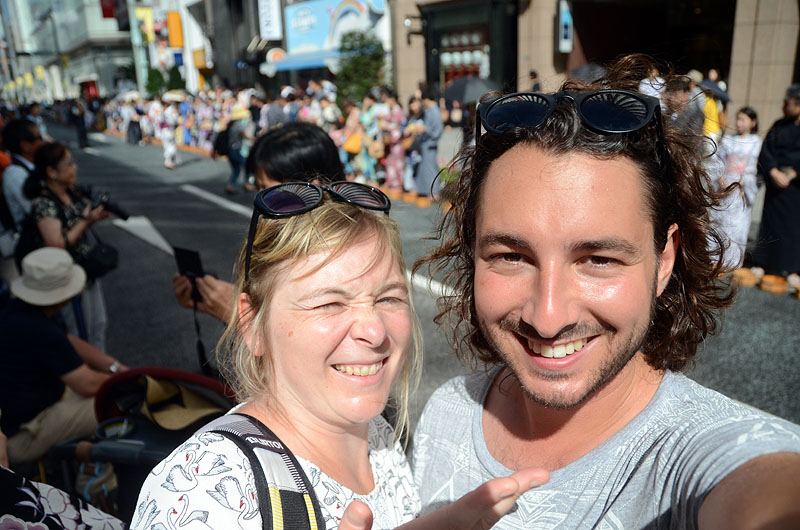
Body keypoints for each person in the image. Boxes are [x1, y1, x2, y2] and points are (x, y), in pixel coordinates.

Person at [412, 55, 800, 528]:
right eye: (511, 256)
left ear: (664, 260)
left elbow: (767, 490)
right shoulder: (448, 410)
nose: (548, 318)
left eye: (599, 260)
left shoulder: (694, 455)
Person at [136, 183, 548, 529]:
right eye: (329, 303)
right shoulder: (206, 490)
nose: (375, 331)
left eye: (388, 298)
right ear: (252, 324)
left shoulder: (375, 433)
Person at [174, 122, 345, 323]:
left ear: (313, 190)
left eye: (272, 193)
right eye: (259, 189)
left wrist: (237, 315)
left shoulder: (339, 255)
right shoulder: (286, 240)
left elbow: (308, 338)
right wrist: (216, 299)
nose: (261, 205)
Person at [0, 247, 126, 464]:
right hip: (25, 432)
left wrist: (115, 367)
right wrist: (130, 381)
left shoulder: (17, 311)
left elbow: (69, 341)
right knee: (114, 405)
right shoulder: (41, 330)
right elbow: (86, 384)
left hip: (15, 419)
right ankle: (96, 481)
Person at [25, 142, 111, 350]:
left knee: (98, 325)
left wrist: (92, 217)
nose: (75, 167)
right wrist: (86, 221)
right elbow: (57, 244)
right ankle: (84, 369)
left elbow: (74, 225)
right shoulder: (44, 203)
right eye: (69, 163)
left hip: (86, 271)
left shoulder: (69, 193)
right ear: (51, 172)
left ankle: (99, 368)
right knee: (80, 332)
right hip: (67, 278)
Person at [752, 84, 800, 291]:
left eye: (788, 103)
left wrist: (792, 173)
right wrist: (772, 171)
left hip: (796, 186)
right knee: (770, 224)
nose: (784, 106)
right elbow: (766, 151)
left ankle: (793, 270)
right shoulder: (779, 125)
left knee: (794, 229)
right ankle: (763, 263)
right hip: (775, 182)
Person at [710, 106, 762, 268]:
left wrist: (742, 181)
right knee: (720, 221)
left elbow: (753, 167)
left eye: (743, 119)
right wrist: (720, 178)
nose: (739, 123)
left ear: (753, 122)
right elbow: (717, 161)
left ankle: (732, 261)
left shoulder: (756, 142)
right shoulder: (727, 140)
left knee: (738, 224)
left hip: (741, 188)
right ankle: (715, 258)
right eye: (738, 119)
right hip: (725, 185)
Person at [1, 118, 45, 228]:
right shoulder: (15, 174)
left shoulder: (34, 165)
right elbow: (39, 212)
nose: (44, 142)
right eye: (39, 138)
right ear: (25, 145)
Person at [414, 87, 443, 207]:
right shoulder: (429, 111)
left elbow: (437, 132)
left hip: (430, 145)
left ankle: (434, 193)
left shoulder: (435, 111)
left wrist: (425, 129)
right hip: (426, 144)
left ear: (426, 99)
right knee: (426, 169)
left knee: (431, 169)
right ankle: (429, 192)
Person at [224, 104, 254, 194]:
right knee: (247, 165)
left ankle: (231, 185)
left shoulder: (231, 125)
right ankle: (247, 183)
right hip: (235, 149)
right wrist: (253, 139)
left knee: (236, 169)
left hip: (230, 149)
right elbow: (244, 135)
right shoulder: (238, 125)